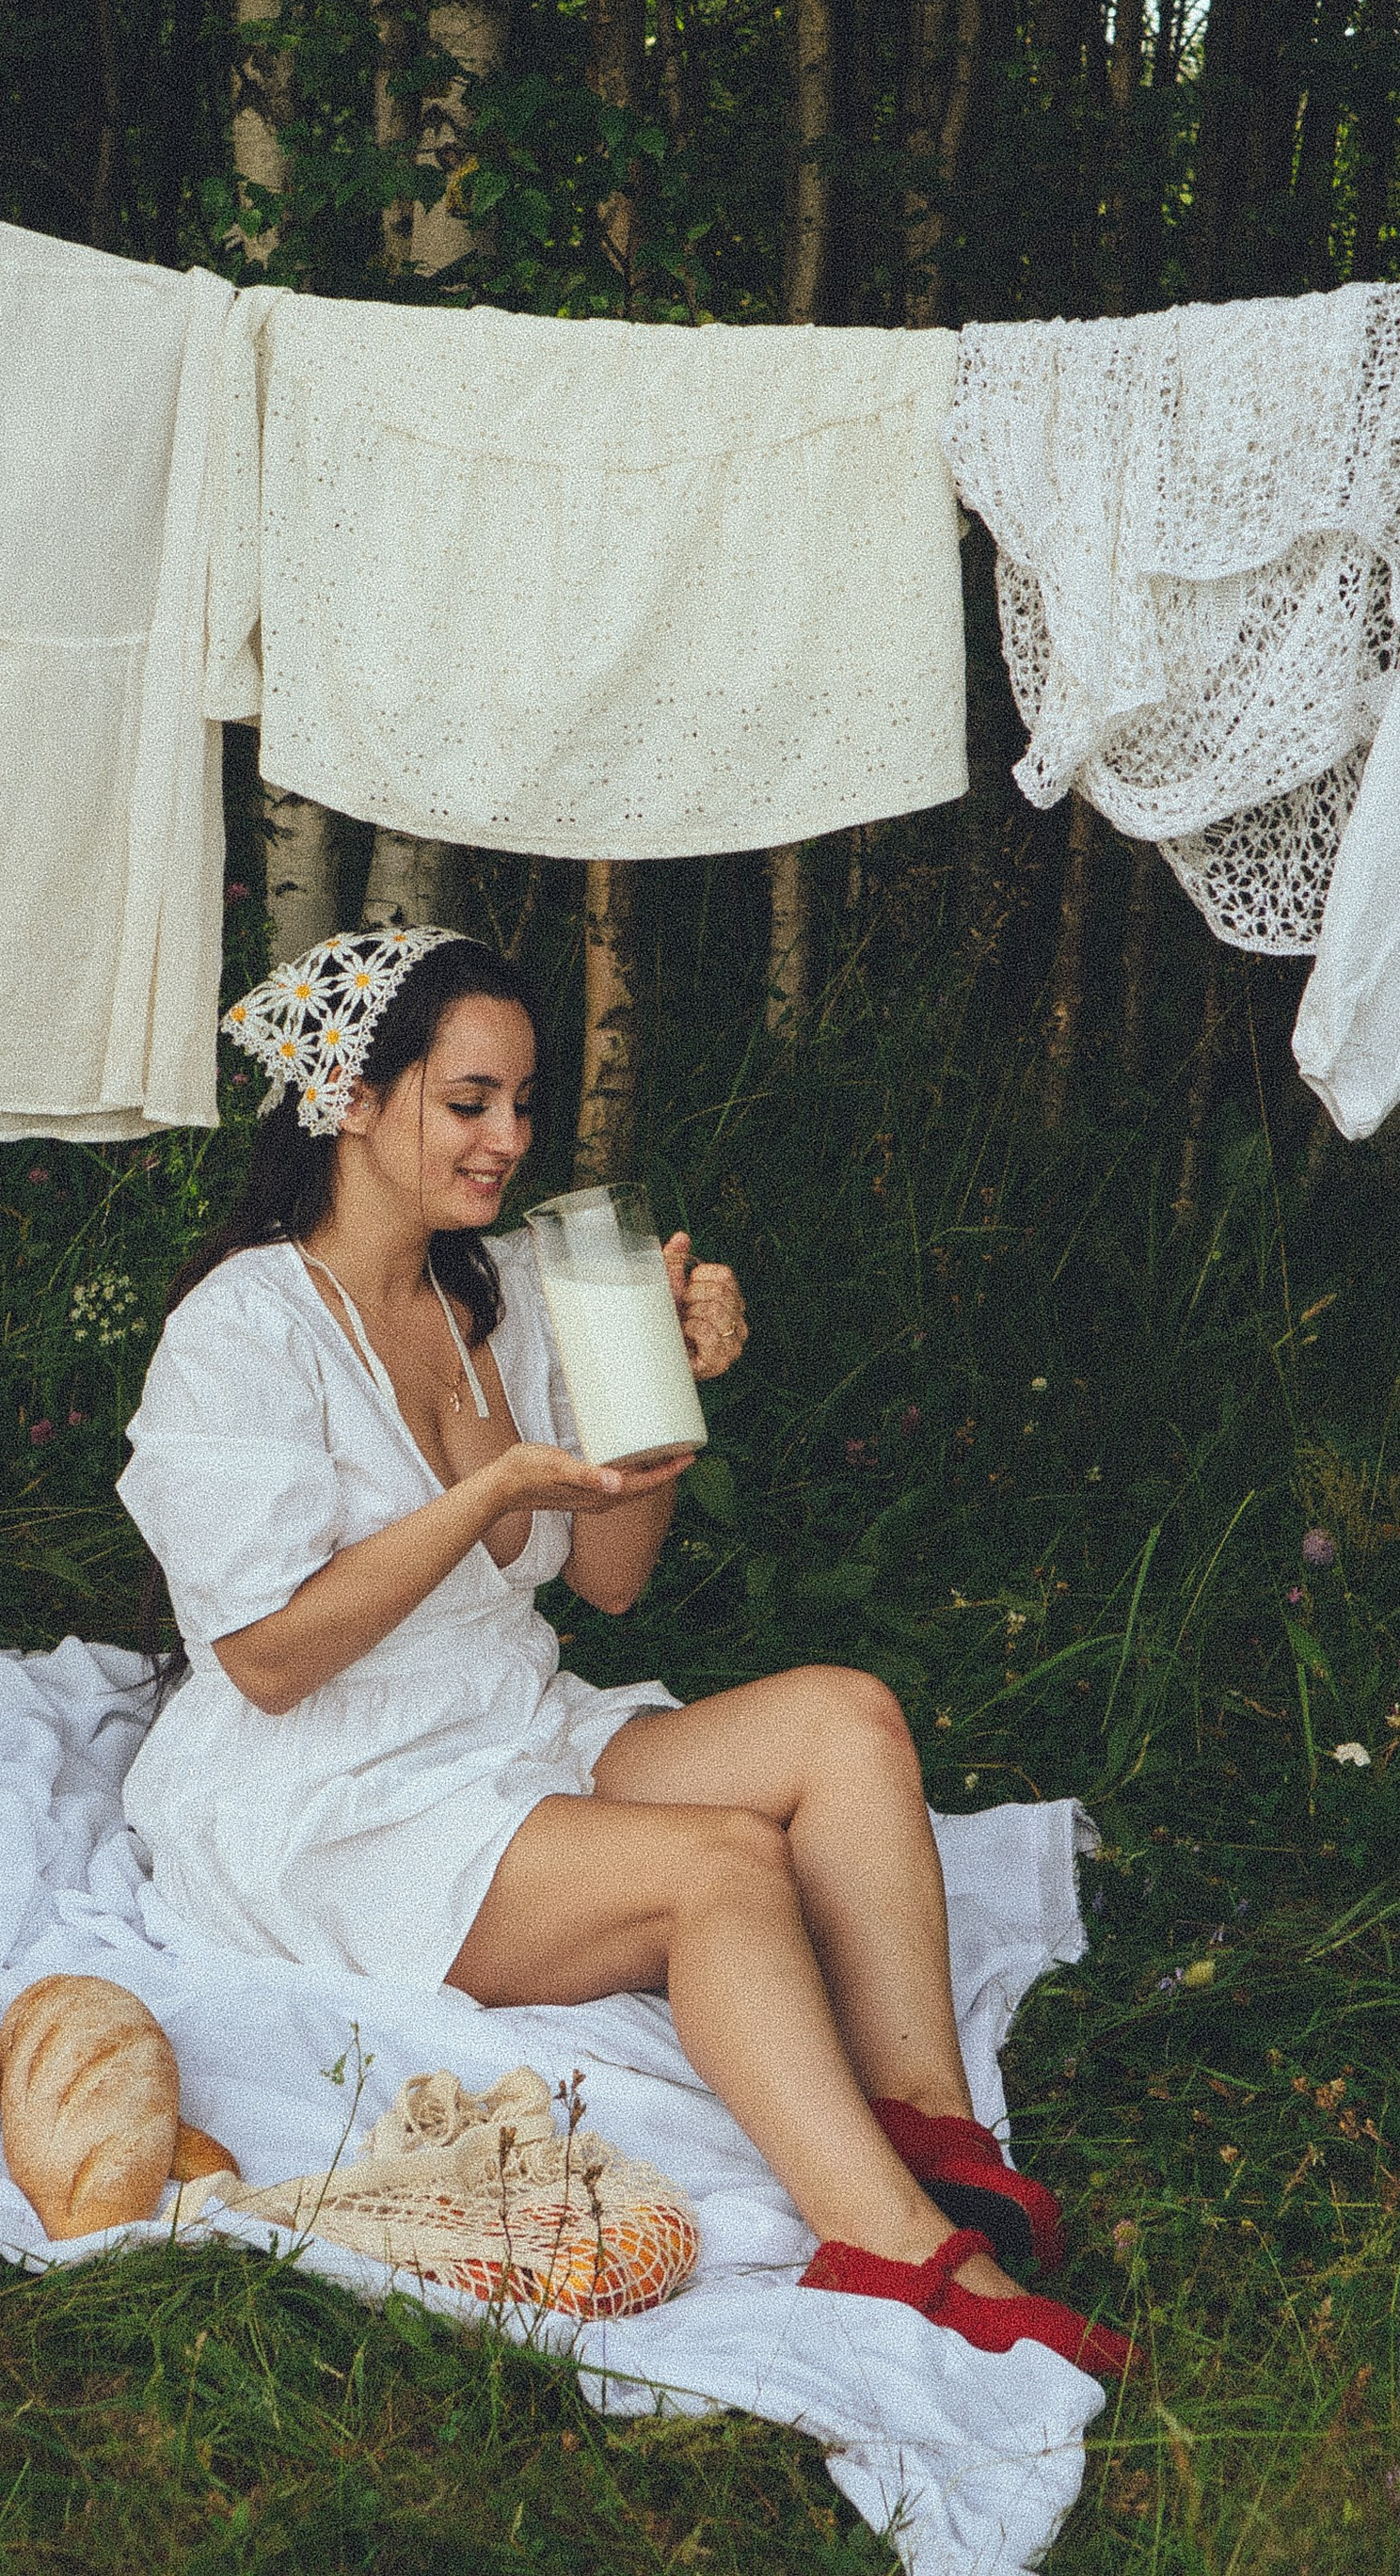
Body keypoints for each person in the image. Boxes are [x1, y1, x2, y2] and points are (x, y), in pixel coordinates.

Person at [117, 924, 1129, 2377]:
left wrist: (649, 1408)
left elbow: (606, 1586)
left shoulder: (502, 1287)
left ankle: (928, 2124)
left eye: (523, 1105)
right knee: (720, 1865)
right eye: (469, 1103)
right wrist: (481, 1494)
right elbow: (269, 1659)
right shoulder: (247, 1327)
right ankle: (892, 2247)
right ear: (350, 1098)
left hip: (505, 1720)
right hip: (331, 1792)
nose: (508, 1140)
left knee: (848, 1719)